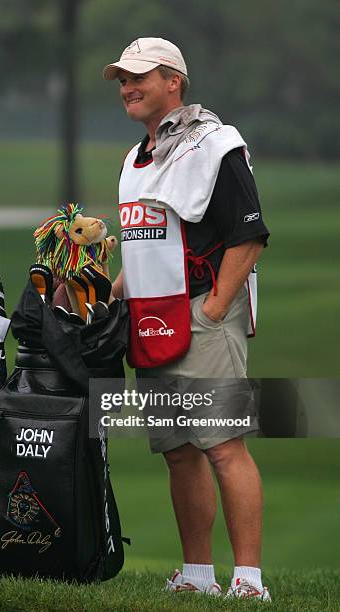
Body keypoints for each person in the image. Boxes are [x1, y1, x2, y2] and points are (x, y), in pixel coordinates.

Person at [103, 38, 271, 601]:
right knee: (178, 452)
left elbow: (249, 237)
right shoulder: (134, 158)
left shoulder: (215, 144)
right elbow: (142, 248)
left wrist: (214, 308)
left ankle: (248, 580)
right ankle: (198, 575)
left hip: (201, 316)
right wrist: (105, 301)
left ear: (173, 80)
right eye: (122, 80)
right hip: (151, 323)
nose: (127, 87)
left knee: (224, 446)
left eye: (139, 77)